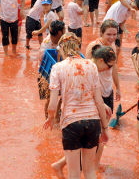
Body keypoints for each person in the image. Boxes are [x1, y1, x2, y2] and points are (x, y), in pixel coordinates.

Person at [44, 32, 109, 179]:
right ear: (77, 46)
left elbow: (53, 103)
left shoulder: (58, 67)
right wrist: (105, 128)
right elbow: (99, 101)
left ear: (62, 48)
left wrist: (50, 118)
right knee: (90, 171)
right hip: (93, 122)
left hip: (71, 122)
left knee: (74, 173)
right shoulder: (91, 65)